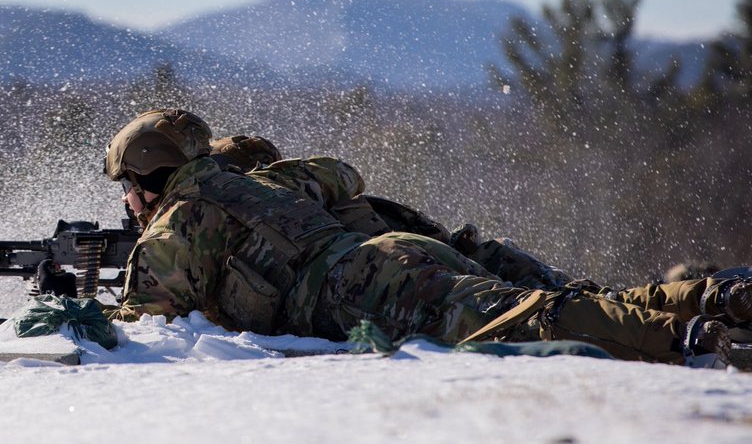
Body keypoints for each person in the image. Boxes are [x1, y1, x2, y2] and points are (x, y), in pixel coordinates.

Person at [102, 109, 751, 367]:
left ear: (147, 177)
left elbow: (142, 329)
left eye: (129, 187)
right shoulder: (263, 186)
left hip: (365, 290)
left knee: (527, 317)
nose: (129, 203)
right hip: (389, 258)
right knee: (544, 302)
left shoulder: (182, 219)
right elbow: (343, 178)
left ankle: (694, 341)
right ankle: (713, 299)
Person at [210, 134, 750, 328]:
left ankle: (693, 331)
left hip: (439, 275)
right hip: (474, 255)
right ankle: (712, 298)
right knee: (590, 303)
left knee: (550, 318)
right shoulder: (342, 201)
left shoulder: (284, 221)